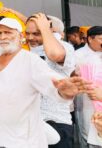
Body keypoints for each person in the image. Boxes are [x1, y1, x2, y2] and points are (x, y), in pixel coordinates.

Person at [0, 18, 90, 148]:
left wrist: (64, 90)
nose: (3, 36)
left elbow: (51, 82)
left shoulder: (30, 60)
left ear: (20, 36)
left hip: (21, 139)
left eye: (8, 32)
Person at [26, 13, 76, 148]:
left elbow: (55, 55)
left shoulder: (64, 47)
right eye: (28, 33)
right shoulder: (25, 52)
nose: (30, 38)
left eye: (36, 33)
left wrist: (44, 28)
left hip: (56, 121)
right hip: (29, 124)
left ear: (49, 31)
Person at [74, 26, 102, 147]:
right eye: (101, 39)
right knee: (87, 132)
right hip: (86, 102)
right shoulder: (78, 55)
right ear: (90, 39)